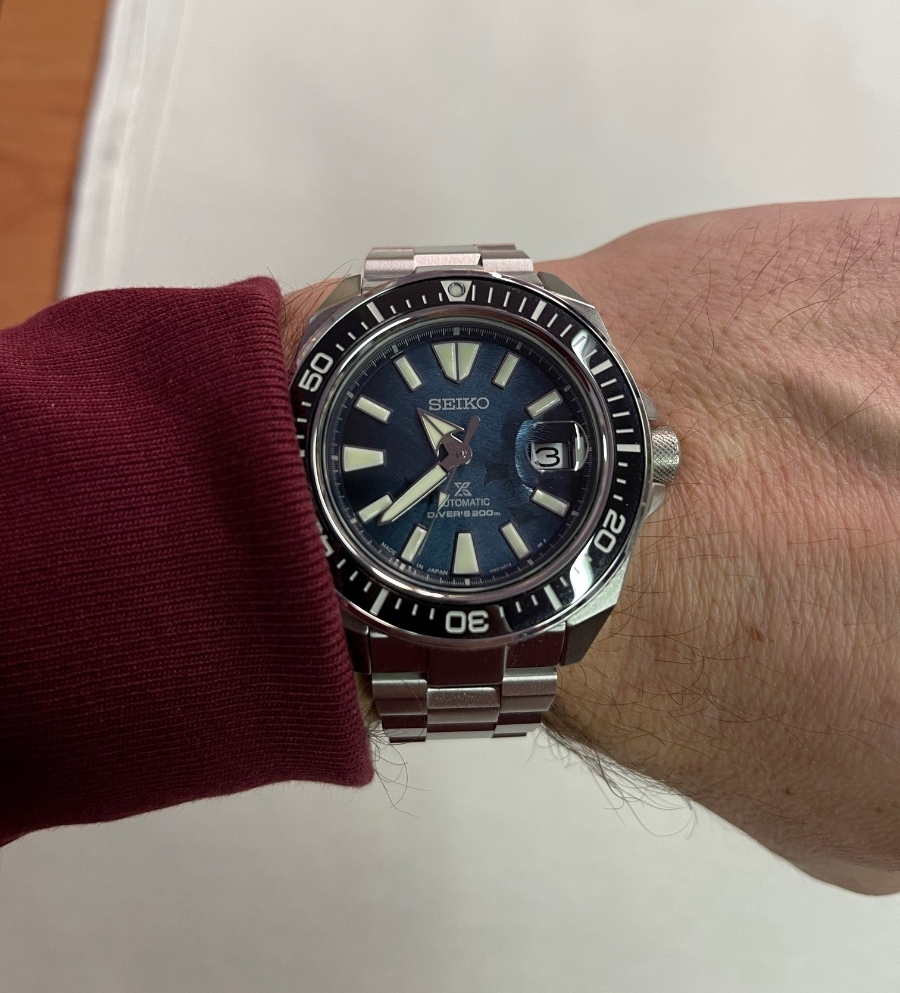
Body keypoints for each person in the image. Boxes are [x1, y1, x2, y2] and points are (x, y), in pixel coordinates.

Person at [1, 197, 897, 897]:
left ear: (647, 457)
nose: (459, 453)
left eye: (458, 450)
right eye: (450, 448)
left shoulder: (618, 466)